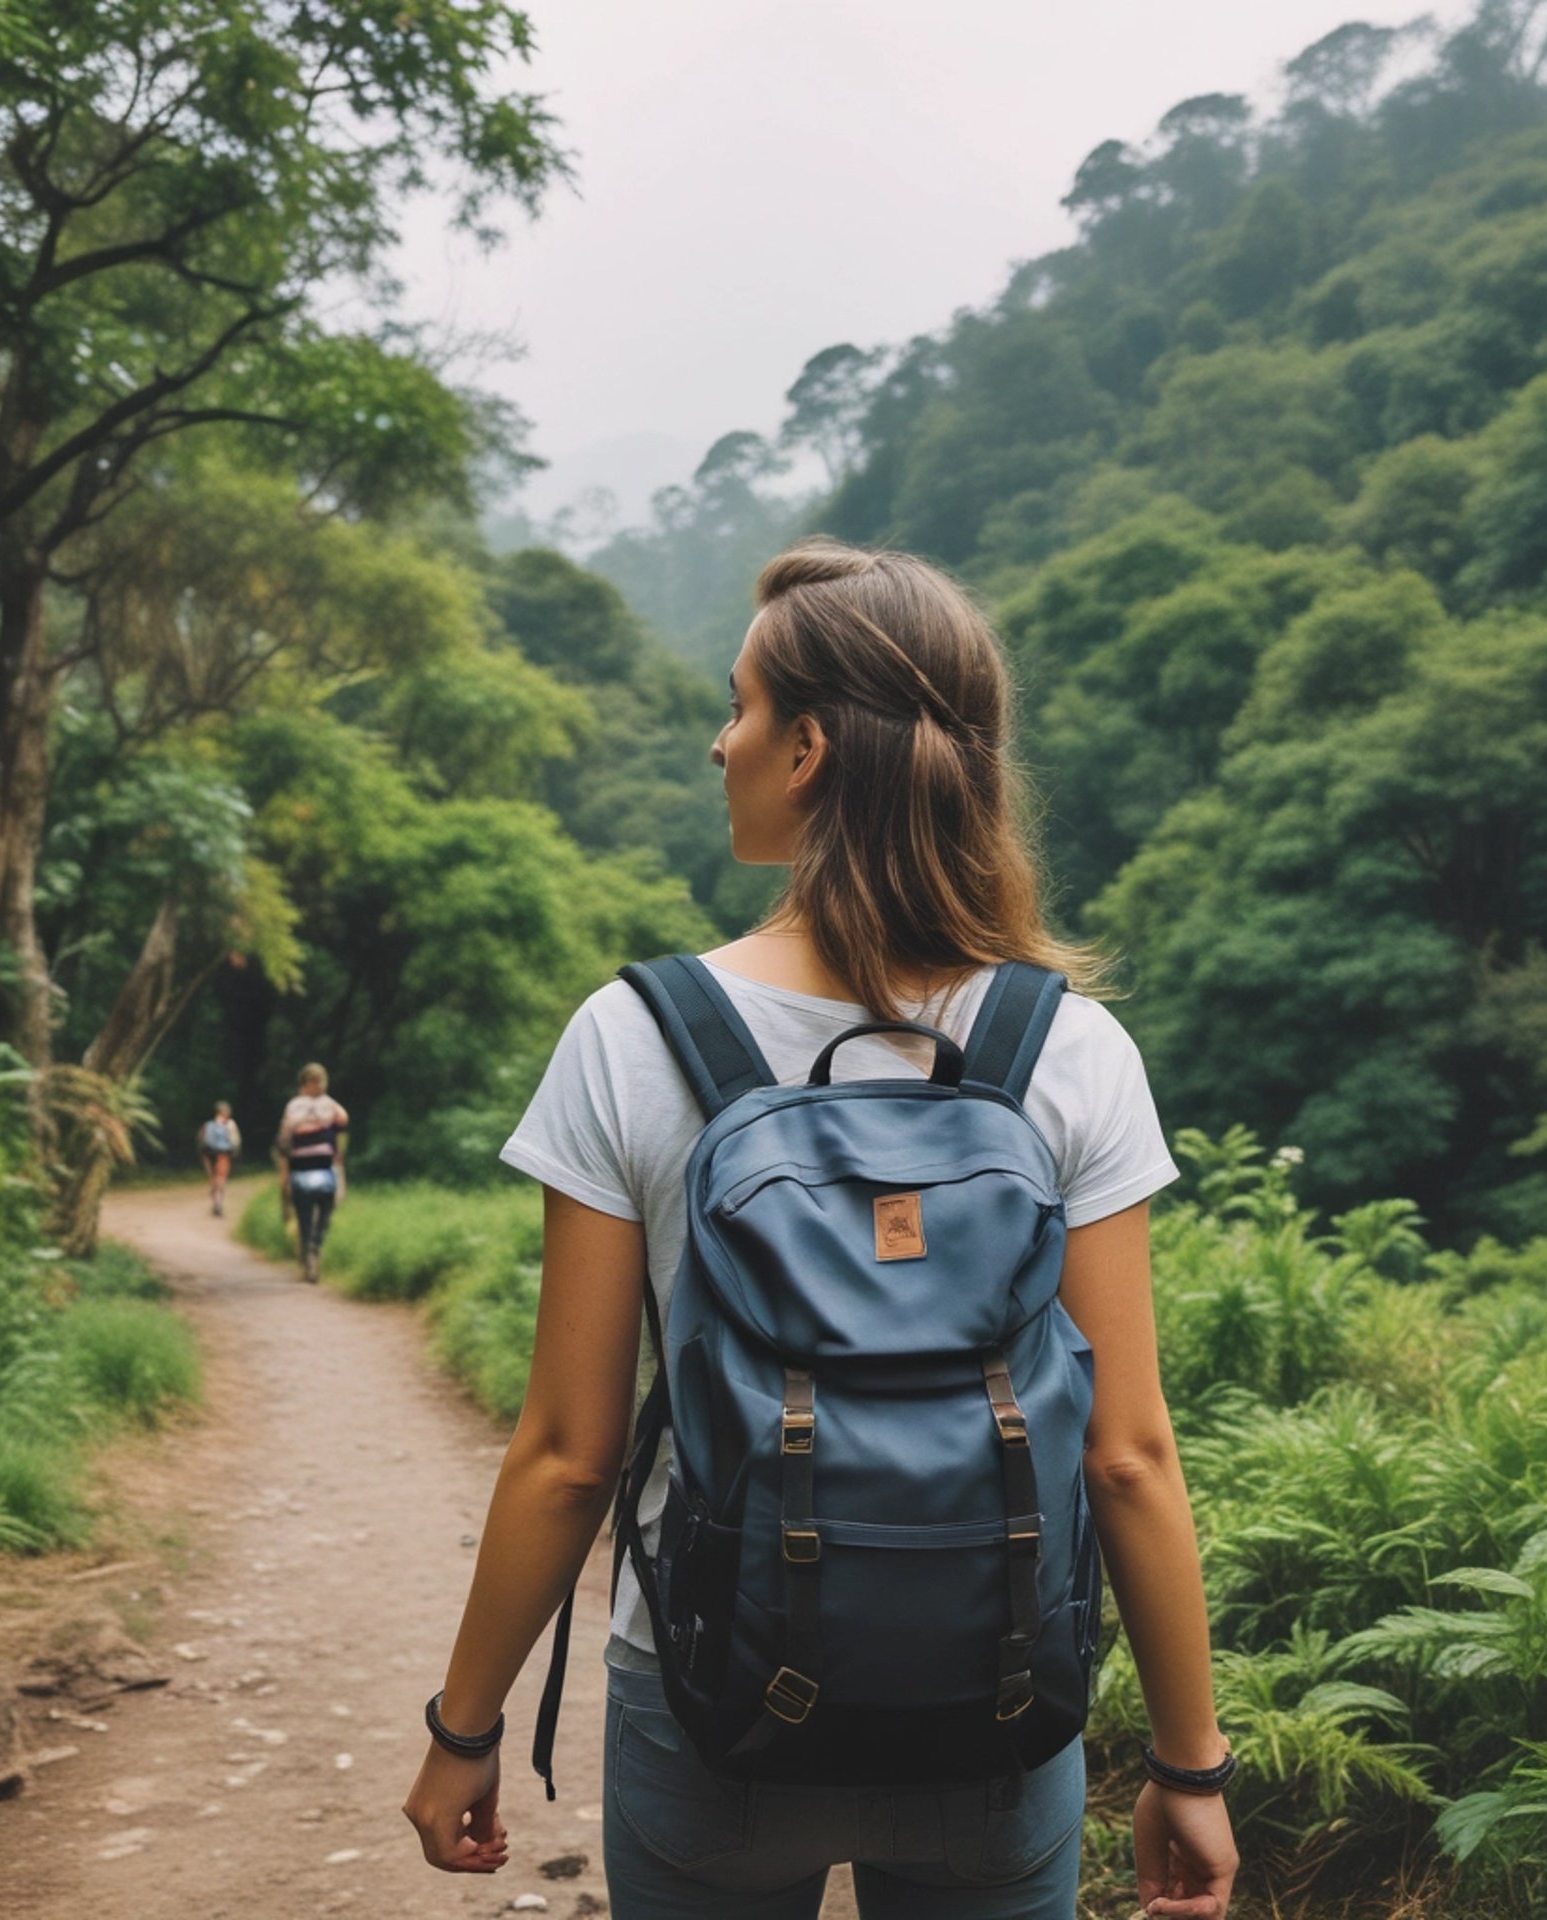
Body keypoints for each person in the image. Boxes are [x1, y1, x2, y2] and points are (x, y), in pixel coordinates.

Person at [403, 539, 1239, 1918]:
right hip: (997, 1702)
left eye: (735, 708)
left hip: (711, 1707)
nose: (715, 742)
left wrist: (465, 1729)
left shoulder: (634, 1038)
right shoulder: (1070, 1050)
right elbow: (1130, 1453)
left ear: (803, 751)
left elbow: (567, 1455)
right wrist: (1190, 1768)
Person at [274, 1064, 348, 1284]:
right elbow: (343, 1123)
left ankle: (310, 1252)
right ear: (307, 1083)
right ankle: (311, 1252)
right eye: (317, 1080)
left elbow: (284, 1141)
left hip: (310, 1168)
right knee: (314, 1217)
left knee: (315, 1216)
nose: (321, 1084)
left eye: (322, 1080)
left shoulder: (297, 1106)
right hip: (314, 1168)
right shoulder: (324, 1106)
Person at [197, 1101, 241, 1218]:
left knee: (213, 1179)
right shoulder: (230, 1124)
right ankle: (218, 1204)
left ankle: (215, 1202)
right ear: (225, 1112)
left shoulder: (208, 1125)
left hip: (208, 1154)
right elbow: (235, 1142)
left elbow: (201, 1141)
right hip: (223, 1154)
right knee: (221, 1179)